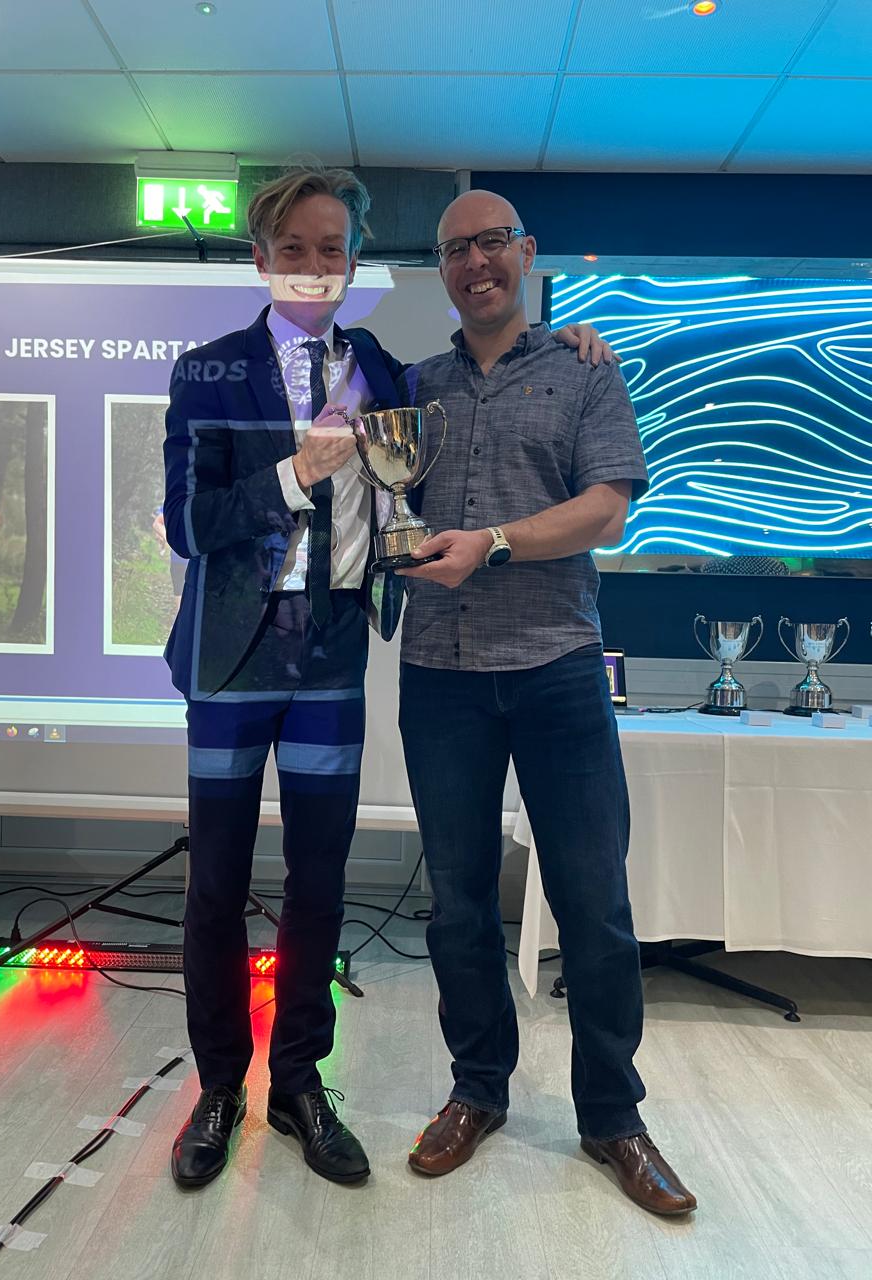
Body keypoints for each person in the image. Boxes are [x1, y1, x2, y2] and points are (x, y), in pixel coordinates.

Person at [162, 165, 613, 1191]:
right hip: (228, 663)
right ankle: (219, 1085)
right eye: (293, 248)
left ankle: (297, 1082)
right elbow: (188, 524)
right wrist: (295, 473)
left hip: (328, 657)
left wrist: (576, 341)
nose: (313, 265)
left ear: (354, 261)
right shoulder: (206, 371)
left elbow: (475, 393)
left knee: (319, 881)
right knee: (216, 883)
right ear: (260, 258)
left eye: (333, 248)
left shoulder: (382, 369)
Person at [396, 191, 696, 1216]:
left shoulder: (584, 370)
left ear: (525, 252)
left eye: (492, 242)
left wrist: (492, 542)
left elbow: (607, 509)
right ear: (442, 267)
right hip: (440, 671)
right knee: (459, 905)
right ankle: (477, 1089)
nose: (475, 262)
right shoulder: (415, 388)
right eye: (455, 249)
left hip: (557, 667)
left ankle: (612, 1114)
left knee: (594, 904)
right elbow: (377, 499)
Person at [152, 503, 186, 618]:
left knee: (180, 588)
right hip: (182, 557)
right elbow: (158, 523)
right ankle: (182, 620)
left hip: (184, 556)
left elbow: (157, 523)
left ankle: (182, 620)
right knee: (180, 588)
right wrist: (168, 539)